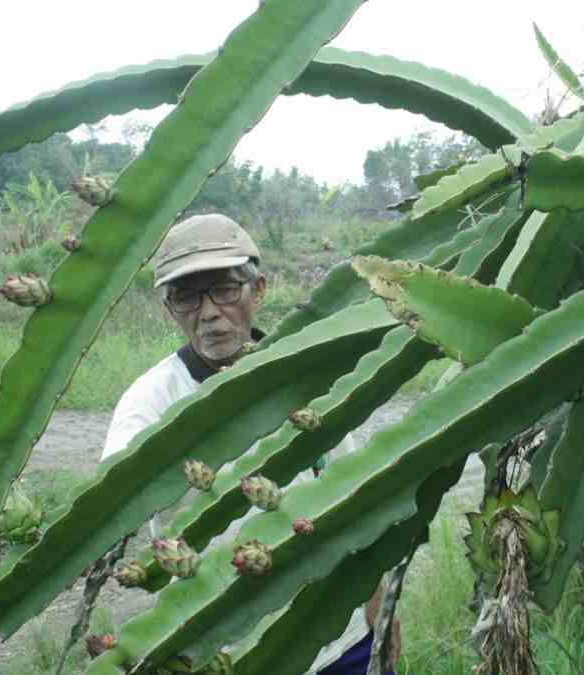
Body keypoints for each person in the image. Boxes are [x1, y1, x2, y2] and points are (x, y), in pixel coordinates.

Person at [100, 213, 398, 674]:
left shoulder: (309, 377)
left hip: (337, 641)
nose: (209, 312)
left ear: (258, 289)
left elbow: (352, 498)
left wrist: (380, 616)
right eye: (186, 297)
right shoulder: (150, 402)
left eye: (224, 288)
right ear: (169, 310)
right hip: (223, 652)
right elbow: (111, 506)